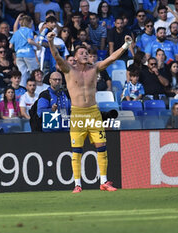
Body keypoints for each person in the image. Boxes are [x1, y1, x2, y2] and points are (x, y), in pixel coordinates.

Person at [47, 31, 133, 193]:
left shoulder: (95, 68)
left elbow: (112, 58)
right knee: (77, 150)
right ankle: (77, 184)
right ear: (75, 56)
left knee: (101, 146)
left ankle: (104, 182)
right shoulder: (69, 70)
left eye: (86, 52)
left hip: (93, 113)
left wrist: (126, 45)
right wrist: (50, 42)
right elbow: (57, 57)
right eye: (81, 53)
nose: (85, 54)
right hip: (78, 114)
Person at [9, 15, 41, 88]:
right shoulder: (29, 31)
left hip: (19, 55)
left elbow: (10, 46)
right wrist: (38, 46)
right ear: (29, 23)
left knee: (22, 73)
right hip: (29, 54)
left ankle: (23, 88)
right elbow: (30, 41)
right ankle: (36, 88)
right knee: (34, 72)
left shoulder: (16, 33)